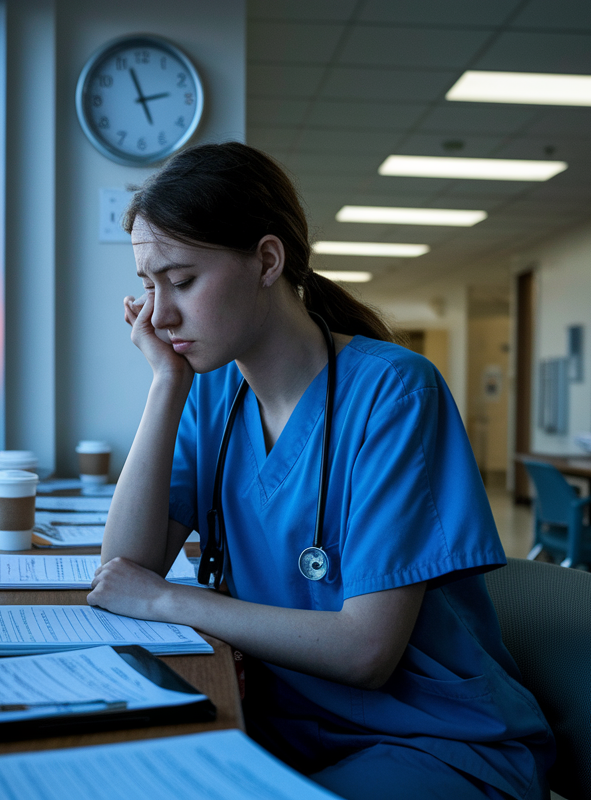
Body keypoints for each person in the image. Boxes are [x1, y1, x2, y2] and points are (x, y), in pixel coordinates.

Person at [88, 142, 554, 800]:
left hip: (432, 743)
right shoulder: (213, 396)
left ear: (267, 261)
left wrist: (170, 601)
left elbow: (366, 651)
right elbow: (122, 569)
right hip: (285, 730)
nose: (159, 315)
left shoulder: (394, 393)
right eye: (147, 285)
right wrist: (166, 385)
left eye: (182, 280)